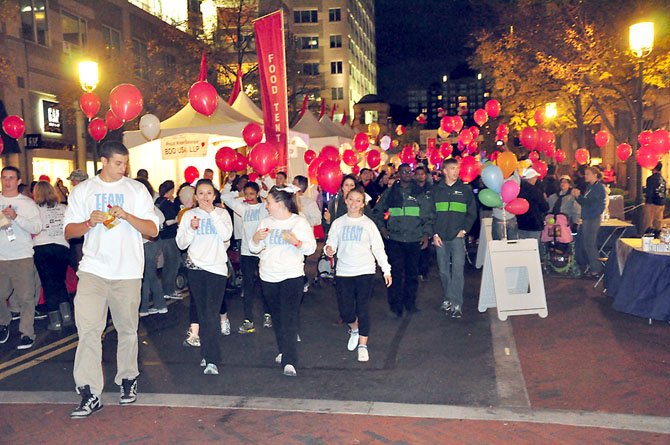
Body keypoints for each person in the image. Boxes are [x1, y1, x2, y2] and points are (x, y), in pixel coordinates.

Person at [64, 141, 159, 418]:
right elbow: (69, 232)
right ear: (103, 162)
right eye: (118, 163)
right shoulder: (84, 190)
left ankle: (128, 378)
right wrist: (89, 223)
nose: (123, 168)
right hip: (93, 270)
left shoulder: (136, 190)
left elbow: (152, 230)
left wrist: (128, 215)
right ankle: (89, 392)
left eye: (125, 164)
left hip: (127, 271)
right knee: (89, 331)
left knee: (127, 329)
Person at [250, 187, 316, 377]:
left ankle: (290, 360)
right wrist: (256, 238)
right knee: (277, 318)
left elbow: (310, 248)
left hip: (291, 275)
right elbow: (255, 248)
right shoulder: (265, 222)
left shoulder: (298, 222)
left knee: (288, 317)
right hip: (268, 276)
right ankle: (284, 349)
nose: (266, 205)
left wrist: (296, 241)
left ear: (279, 204)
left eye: (268, 202)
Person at [325, 187, 392, 362]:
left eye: (358, 200)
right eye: (351, 199)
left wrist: (386, 269)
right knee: (346, 311)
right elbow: (331, 241)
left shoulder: (368, 224)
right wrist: (329, 249)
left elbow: (378, 248)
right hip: (344, 272)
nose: (354, 203)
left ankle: (363, 344)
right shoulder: (338, 223)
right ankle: (354, 328)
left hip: (365, 271)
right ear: (346, 201)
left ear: (363, 204)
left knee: (363, 308)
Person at [176, 179, 233, 376]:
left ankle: (212, 358)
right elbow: (181, 244)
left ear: (214, 195)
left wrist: (212, 215)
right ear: (195, 196)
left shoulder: (222, 213)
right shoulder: (188, 215)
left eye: (209, 193)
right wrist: (191, 229)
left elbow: (227, 234)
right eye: (201, 193)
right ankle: (207, 353)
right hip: (196, 269)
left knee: (211, 313)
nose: (205, 197)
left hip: (216, 269)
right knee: (202, 313)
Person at [372, 163, 431, 317]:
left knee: (412, 274)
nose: (406, 174)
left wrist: (426, 234)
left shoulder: (419, 193)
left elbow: (428, 216)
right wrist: (382, 229)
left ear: (411, 174)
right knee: (395, 274)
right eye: (403, 171)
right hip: (395, 240)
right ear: (398, 174)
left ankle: (410, 303)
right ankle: (395, 306)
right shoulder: (390, 193)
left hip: (414, 240)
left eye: (408, 171)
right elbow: (377, 212)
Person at [0, 166, 42, 349]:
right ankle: (4, 322)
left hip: (22, 256)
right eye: (4, 177)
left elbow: (36, 228)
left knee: (26, 297)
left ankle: (27, 332)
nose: (7, 181)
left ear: (18, 181)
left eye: (11, 178)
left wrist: (16, 217)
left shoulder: (27, 203)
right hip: (1, 257)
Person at [430, 159, 477, 318]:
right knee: (443, 271)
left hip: (457, 238)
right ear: (444, 171)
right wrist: (434, 234)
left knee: (457, 271)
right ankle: (448, 298)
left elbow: (472, 213)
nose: (456, 171)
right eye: (452, 168)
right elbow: (430, 214)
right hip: (440, 238)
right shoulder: (436, 190)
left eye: (457, 168)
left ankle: (457, 303)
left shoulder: (465, 190)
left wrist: (464, 230)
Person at [222, 181, 271, 334]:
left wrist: (263, 192)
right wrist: (236, 190)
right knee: (248, 287)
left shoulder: (265, 208)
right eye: (246, 193)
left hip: (263, 252)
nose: (249, 197)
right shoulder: (242, 208)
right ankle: (248, 320)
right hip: (247, 252)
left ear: (257, 193)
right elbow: (224, 196)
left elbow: (273, 196)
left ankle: (268, 314)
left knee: (265, 285)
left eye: (252, 194)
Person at [32, 181, 73, 331]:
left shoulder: (34, 209)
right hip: (61, 246)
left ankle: (55, 320)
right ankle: (67, 316)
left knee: (48, 284)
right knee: (59, 281)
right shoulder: (63, 208)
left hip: (41, 247)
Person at [136, 178, 168, 318]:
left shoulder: (145, 204)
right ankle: (150, 306)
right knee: (147, 276)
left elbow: (160, 219)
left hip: (148, 243)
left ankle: (156, 305)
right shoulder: (144, 204)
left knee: (147, 276)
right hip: (148, 243)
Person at [572, 166, 606, 278]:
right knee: (587, 243)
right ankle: (593, 266)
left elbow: (591, 202)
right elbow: (585, 202)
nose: (585, 176)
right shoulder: (590, 186)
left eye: (588, 174)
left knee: (590, 243)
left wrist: (579, 196)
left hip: (592, 217)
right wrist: (578, 197)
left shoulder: (598, 188)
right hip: (587, 217)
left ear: (595, 175)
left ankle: (596, 268)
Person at [155, 180, 181, 300]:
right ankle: (169, 289)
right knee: (172, 263)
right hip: (170, 237)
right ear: (170, 190)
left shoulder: (158, 202)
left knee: (168, 263)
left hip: (162, 237)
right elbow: (167, 221)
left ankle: (168, 289)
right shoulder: (167, 204)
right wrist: (177, 219)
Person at [517, 168, 549, 243]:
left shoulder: (519, 190)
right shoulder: (536, 191)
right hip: (534, 223)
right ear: (531, 178)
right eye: (535, 177)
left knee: (524, 246)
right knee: (533, 246)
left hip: (521, 223)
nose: (536, 179)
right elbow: (544, 207)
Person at [66, 169, 89, 271]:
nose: (72, 183)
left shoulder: (76, 192)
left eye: (73, 180)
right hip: (89, 230)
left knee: (79, 259)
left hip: (79, 231)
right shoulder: (92, 190)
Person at [642, 162, 666, 235]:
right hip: (661, 203)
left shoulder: (650, 179)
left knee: (648, 222)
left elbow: (650, 192)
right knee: (658, 221)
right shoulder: (663, 180)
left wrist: (647, 201)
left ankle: (647, 236)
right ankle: (657, 234)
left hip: (652, 203)